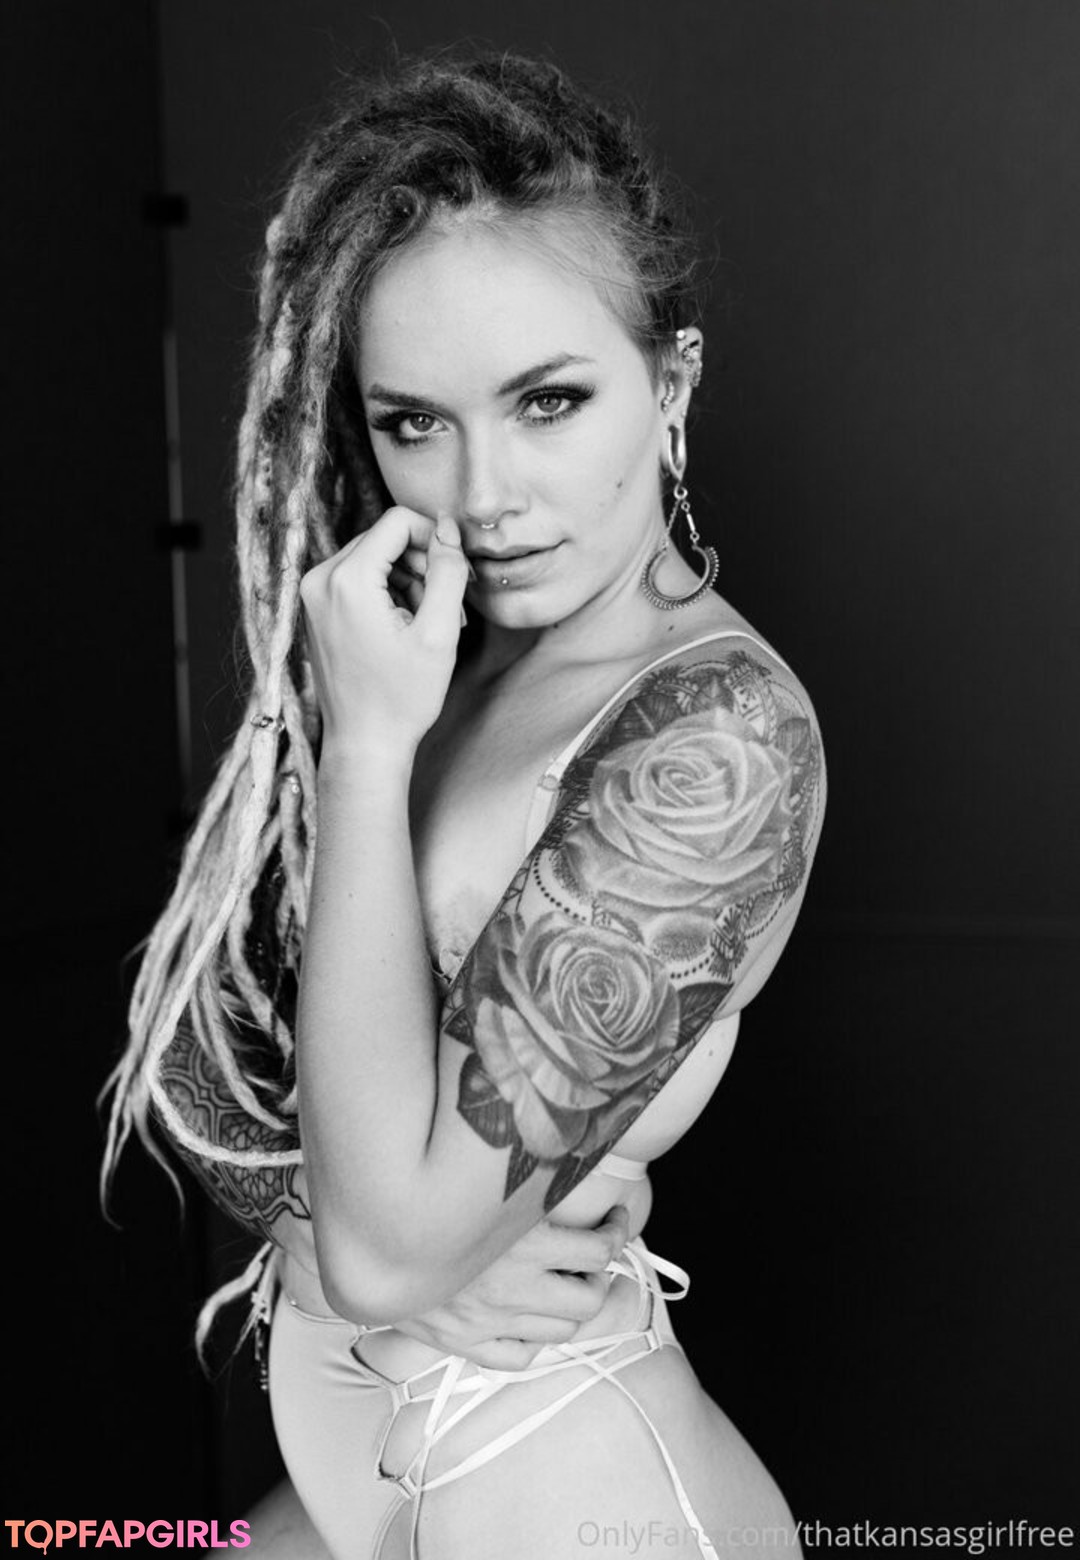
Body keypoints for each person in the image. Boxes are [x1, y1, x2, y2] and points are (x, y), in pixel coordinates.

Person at [101, 50, 826, 1560]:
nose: (482, 494)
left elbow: (384, 1258)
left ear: (671, 382)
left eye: (548, 401)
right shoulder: (439, 651)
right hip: (376, 1476)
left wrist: (369, 753)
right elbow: (191, 1044)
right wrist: (333, 1227)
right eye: (414, 422)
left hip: (564, 1489)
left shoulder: (716, 736)